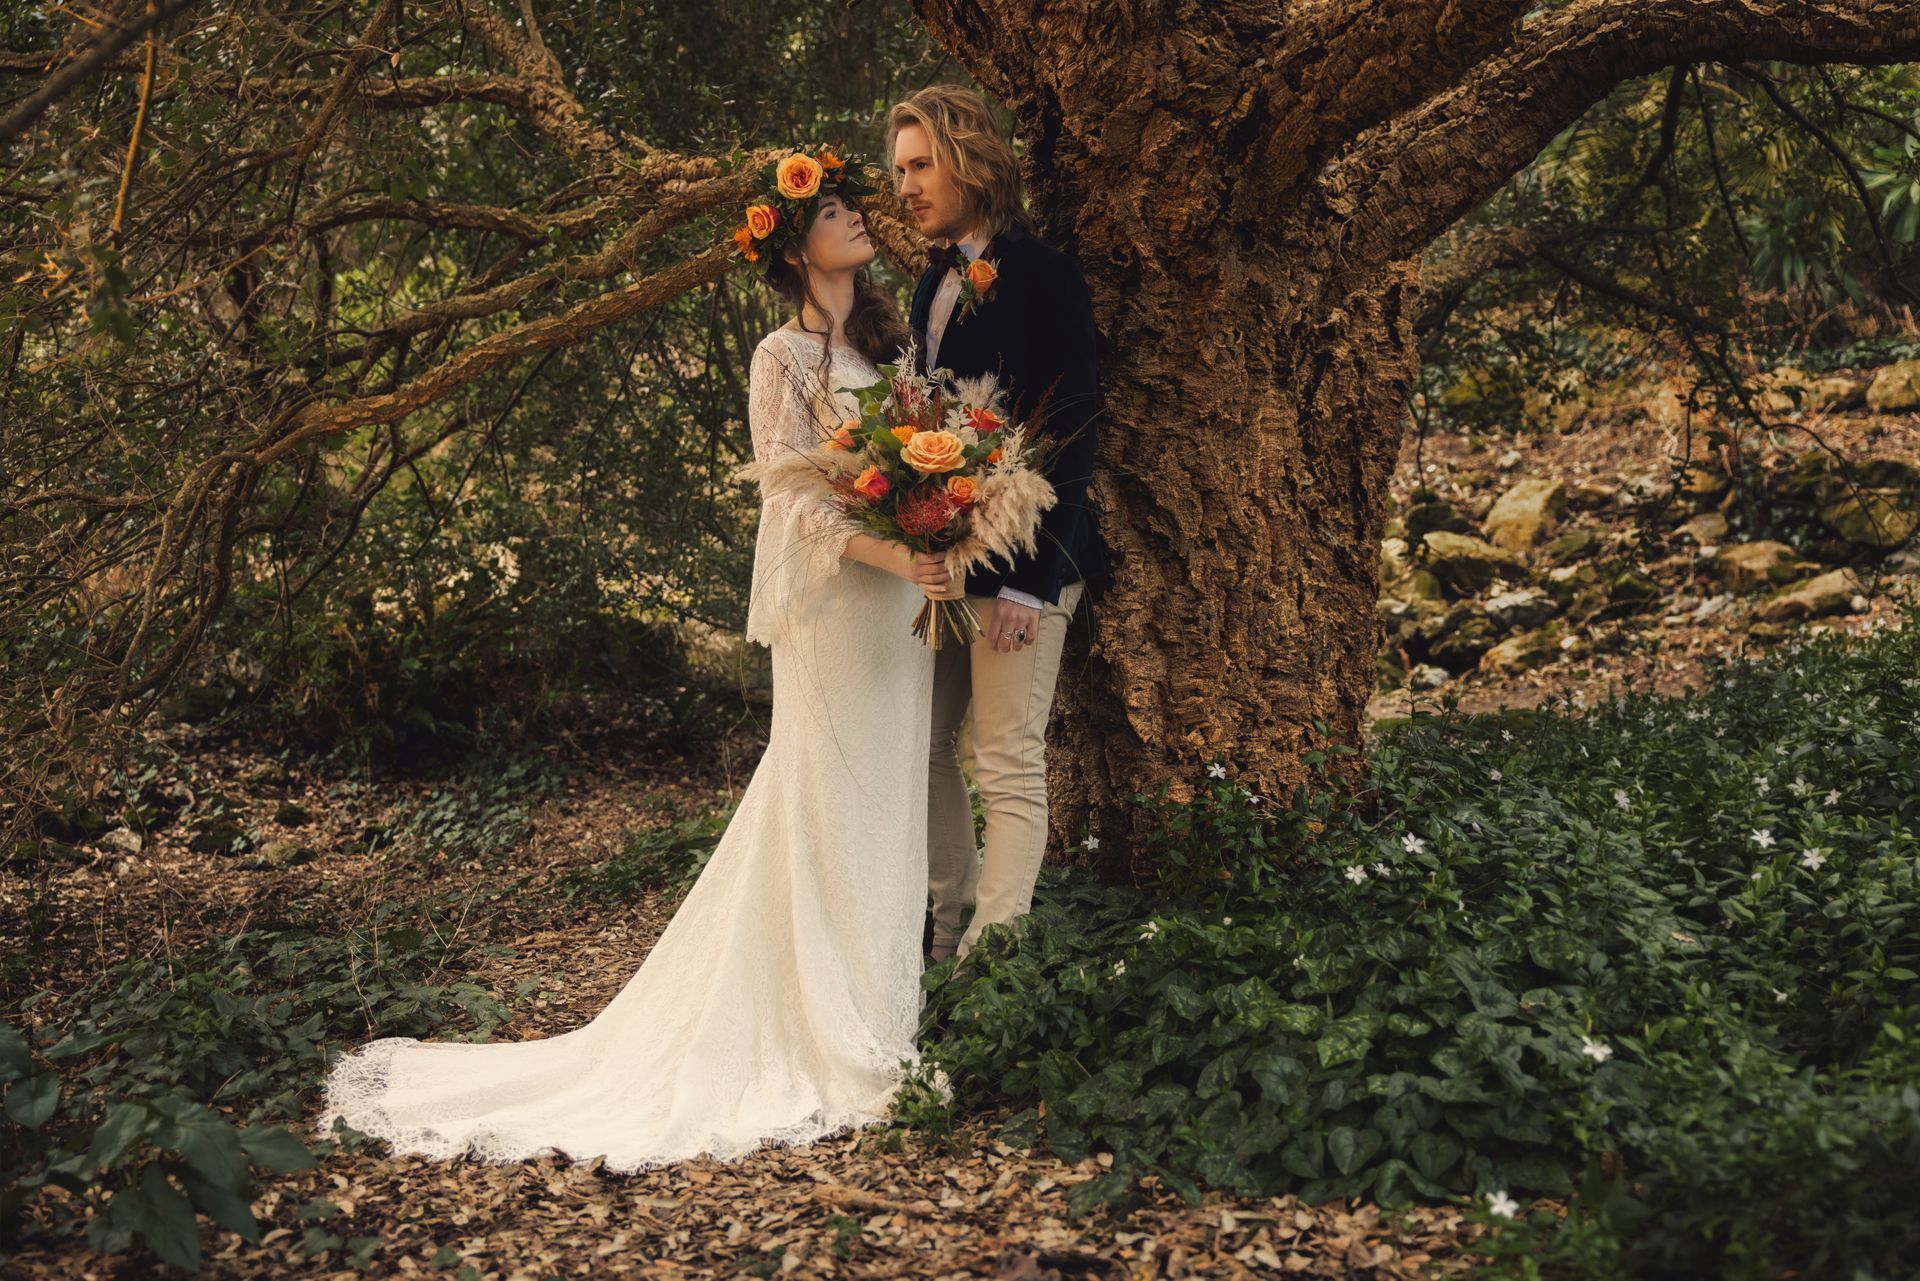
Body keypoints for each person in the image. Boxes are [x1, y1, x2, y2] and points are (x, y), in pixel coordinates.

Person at [313, 147, 959, 1172]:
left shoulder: (892, 345)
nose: (855, 216)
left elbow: (923, 455)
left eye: (849, 203)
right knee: (831, 793)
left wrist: (937, 526)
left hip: (899, 610)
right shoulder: (780, 358)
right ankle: (834, 1029)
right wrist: (895, 554)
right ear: (793, 247)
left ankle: (884, 1008)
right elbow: (791, 500)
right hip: (839, 607)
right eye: (832, 208)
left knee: (890, 796)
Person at [888, 87, 1110, 964]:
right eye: (899, 170)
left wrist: (1030, 583)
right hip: (950, 563)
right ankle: (950, 926)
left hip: (1027, 562)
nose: (905, 186)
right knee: (922, 745)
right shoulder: (930, 281)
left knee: (1008, 759)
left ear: (970, 162)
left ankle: (994, 964)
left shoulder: (1047, 275)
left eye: (920, 166)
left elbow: (1077, 431)